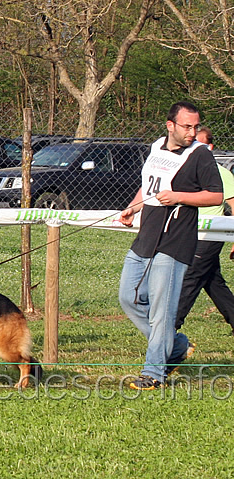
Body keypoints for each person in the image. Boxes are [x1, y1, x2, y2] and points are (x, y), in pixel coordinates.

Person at [118, 101, 223, 391]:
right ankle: (176, 346)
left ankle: (154, 373)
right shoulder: (156, 147)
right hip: (146, 238)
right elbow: (150, 185)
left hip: (176, 241)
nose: (192, 132)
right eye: (187, 126)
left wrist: (179, 197)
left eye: (196, 126)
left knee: (162, 311)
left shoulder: (200, 155)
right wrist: (133, 207)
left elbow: (216, 196)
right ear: (170, 126)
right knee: (129, 298)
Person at [175, 126, 234, 334]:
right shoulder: (187, 171)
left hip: (211, 235)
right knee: (212, 281)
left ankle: (171, 324)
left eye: (200, 144)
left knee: (191, 276)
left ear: (210, 147)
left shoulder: (221, 173)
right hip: (189, 232)